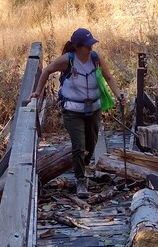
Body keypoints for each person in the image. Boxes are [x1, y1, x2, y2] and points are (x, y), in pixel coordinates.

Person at [29, 28, 125, 198]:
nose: (90, 48)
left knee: (91, 143)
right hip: (72, 111)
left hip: (93, 109)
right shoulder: (67, 60)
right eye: (87, 46)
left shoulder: (96, 58)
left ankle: (84, 167)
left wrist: (118, 95)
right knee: (79, 145)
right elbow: (46, 71)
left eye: (91, 45)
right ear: (77, 47)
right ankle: (80, 180)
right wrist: (37, 92)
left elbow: (109, 77)